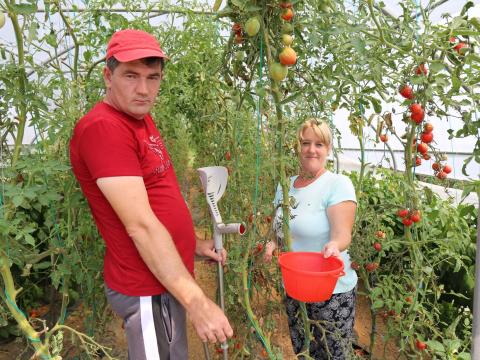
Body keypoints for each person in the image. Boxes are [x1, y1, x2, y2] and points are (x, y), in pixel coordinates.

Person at [69, 29, 233, 359]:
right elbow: (141, 225)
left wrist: (193, 246)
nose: (144, 89)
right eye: (131, 75)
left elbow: (155, 197)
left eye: (153, 77)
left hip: (162, 281)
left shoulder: (137, 117)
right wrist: (197, 301)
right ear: (107, 75)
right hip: (146, 287)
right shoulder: (104, 128)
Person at [264, 119, 357, 360]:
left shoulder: (337, 184)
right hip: (294, 288)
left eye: (319, 144)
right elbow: (280, 227)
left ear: (328, 149)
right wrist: (273, 243)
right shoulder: (284, 187)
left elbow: (342, 234)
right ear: (298, 147)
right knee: (304, 352)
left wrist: (335, 245)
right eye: (306, 143)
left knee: (332, 355)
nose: (311, 150)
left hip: (330, 291)